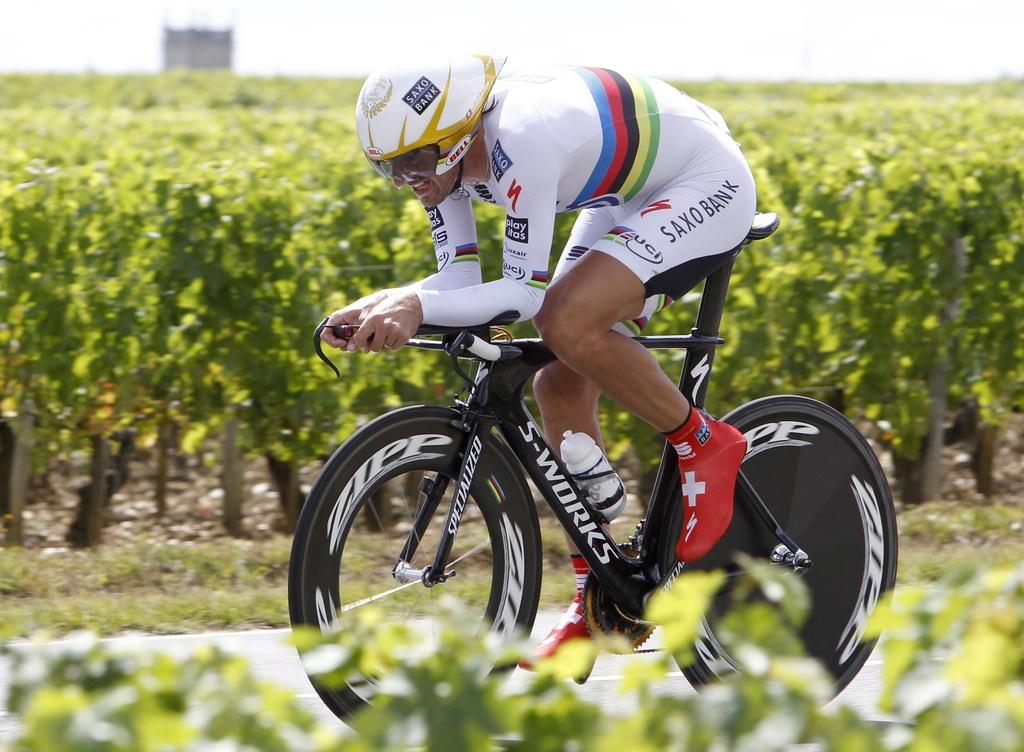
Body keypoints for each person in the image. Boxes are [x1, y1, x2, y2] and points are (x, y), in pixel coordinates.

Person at [322, 54, 753, 664]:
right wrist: (384, 303)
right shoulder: (438, 159)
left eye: (414, 162)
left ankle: (703, 440)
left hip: (704, 180)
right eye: (387, 167)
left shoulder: (521, 139)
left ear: (458, 134)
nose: (407, 179)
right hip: (623, 194)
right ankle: (602, 599)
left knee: (564, 319)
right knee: (558, 383)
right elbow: (459, 276)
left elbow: (523, 293)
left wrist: (414, 309)